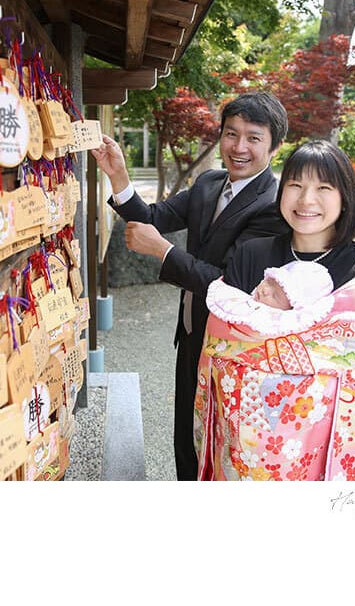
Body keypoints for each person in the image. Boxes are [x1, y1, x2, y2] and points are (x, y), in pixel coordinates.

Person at [90, 91, 289, 480]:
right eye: (231, 134)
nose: (239, 147)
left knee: (221, 442)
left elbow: (233, 287)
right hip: (192, 331)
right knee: (185, 434)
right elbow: (151, 216)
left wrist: (163, 253)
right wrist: (118, 175)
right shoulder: (208, 183)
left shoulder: (274, 205)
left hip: (236, 348)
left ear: (275, 147)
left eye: (253, 137)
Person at [195, 140, 355, 481]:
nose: (307, 200)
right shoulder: (252, 255)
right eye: (295, 185)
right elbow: (221, 336)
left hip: (330, 443)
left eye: (323, 188)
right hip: (248, 438)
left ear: (345, 197)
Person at [206, 260, 336, 337]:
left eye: (275, 296)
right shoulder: (241, 301)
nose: (265, 291)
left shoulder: (280, 325)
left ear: (291, 309)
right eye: (269, 282)